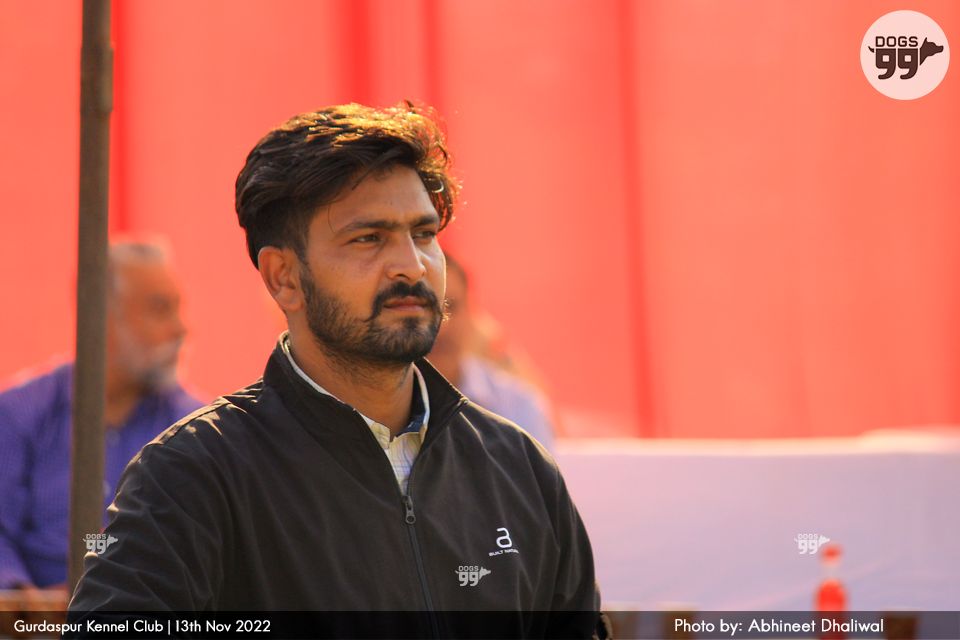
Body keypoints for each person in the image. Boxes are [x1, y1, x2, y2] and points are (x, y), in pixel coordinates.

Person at [68, 104, 603, 638]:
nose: (411, 266)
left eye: (423, 233)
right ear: (284, 278)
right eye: (368, 238)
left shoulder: (518, 469)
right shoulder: (194, 476)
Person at [0, 240, 202, 592]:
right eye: (160, 309)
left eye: (177, 308)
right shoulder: (20, 414)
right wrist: (22, 598)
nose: (180, 329)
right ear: (99, 315)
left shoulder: (193, 429)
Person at [428, 254, 557, 451]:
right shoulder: (384, 410)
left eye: (451, 306)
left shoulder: (520, 407)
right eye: (426, 308)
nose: (441, 326)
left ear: (472, 311)